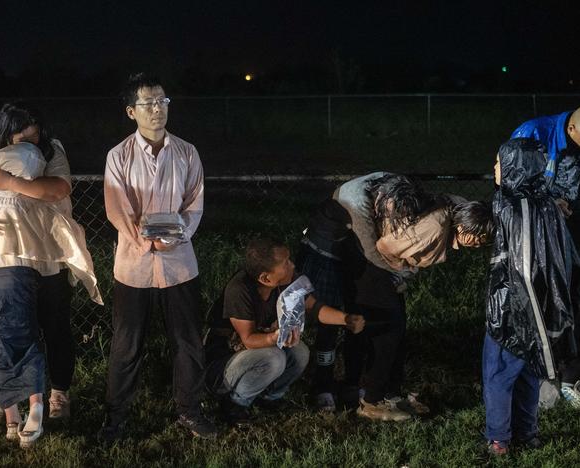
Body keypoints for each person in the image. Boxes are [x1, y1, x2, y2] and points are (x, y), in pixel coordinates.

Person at [0, 102, 100, 448]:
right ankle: (8, 398)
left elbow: (57, 190)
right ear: (5, 131)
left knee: (54, 326)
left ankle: (58, 393)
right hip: (6, 256)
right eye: (22, 130)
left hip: (47, 257)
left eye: (34, 128)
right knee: (9, 328)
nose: (30, 135)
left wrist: (11, 182)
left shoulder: (50, 152)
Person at [99, 73, 215, 441]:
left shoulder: (186, 152)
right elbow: (117, 208)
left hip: (179, 264)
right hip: (133, 266)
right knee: (126, 344)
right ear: (131, 111)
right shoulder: (118, 156)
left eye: (163, 102)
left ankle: (190, 410)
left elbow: (194, 203)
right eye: (148, 104)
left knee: (187, 340)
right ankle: (116, 417)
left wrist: (178, 236)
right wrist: (146, 241)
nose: (157, 110)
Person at [298, 173, 433, 420]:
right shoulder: (357, 203)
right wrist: (401, 271)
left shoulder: (396, 186)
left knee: (357, 318)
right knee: (329, 319)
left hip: (351, 251)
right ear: (382, 199)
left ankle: (352, 383)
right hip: (327, 249)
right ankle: (323, 386)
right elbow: (372, 252)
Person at [204, 238, 365, 427]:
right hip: (222, 364)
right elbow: (248, 340)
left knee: (300, 352)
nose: (292, 265)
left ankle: (270, 396)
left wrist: (345, 319)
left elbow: (313, 307)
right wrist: (276, 337)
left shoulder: (287, 280)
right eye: (285, 263)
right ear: (265, 278)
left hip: (253, 354)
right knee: (275, 357)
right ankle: (235, 403)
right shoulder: (240, 290)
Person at [484, 138, 577, 455]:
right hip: (542, 310)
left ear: (514, 166)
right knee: (528, 373)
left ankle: (499, 438)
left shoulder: (512, 206)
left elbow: (521, 268)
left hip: (514, 310)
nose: (494, 168)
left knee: (498, 373)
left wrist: (521, 316)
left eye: (499, 161)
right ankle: (528, 433)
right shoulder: (547, 203)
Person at [511, 109, 580, 406]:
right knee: (546, 305)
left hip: (574, 235)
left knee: (576, 301)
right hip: (540, 240)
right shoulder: (534, 133)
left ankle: (571, 378)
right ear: (573, 127)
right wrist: (550, 204)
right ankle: (544, 377)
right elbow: (509, 186)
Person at [375, 200, 494, 271]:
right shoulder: (435, 228)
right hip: (372, 243)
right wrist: (402, 272)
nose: (477, 246)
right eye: (477, 240)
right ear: (464, 225)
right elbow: (384, 247)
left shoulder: (449, 219)